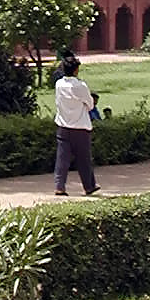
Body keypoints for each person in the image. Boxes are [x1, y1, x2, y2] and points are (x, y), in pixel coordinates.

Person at [52, 52, 100, 196]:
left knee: (62, 159)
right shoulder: (81, 86)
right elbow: (90, 105)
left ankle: (60, 186)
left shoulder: (59, 84)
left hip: (63, 125)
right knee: (84, 159)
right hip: (80, 127)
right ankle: (89, 186)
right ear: (76, 70)